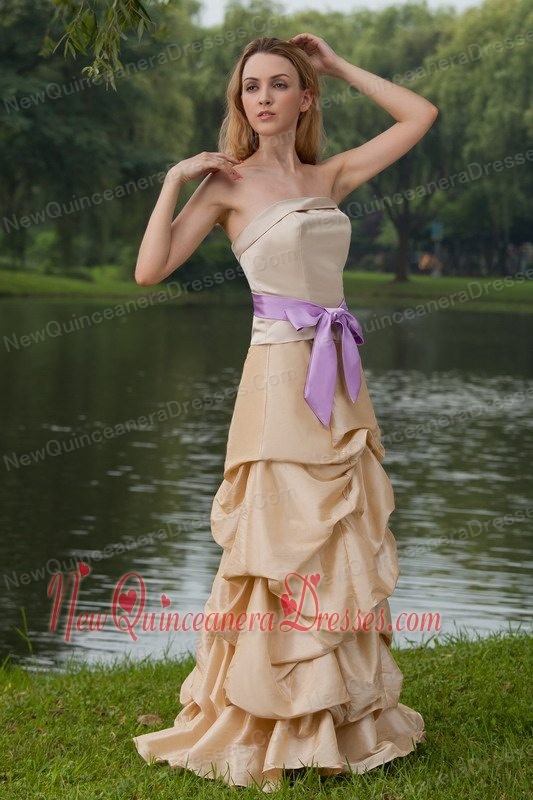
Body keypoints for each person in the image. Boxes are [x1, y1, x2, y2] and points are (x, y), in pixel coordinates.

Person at [132, 33, 437, 792]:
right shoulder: (225, 185)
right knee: (278, 538)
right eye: (250, 87)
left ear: (305, 99)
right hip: (275, 377)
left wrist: (335, 64)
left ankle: (337, 714)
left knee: (336, 537)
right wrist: (173, 181)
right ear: (239, 103)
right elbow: (149, 270)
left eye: (279, 84)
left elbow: (419, 115)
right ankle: (269, 716)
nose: (262, 97)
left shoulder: (329, 175)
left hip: (337, 376)